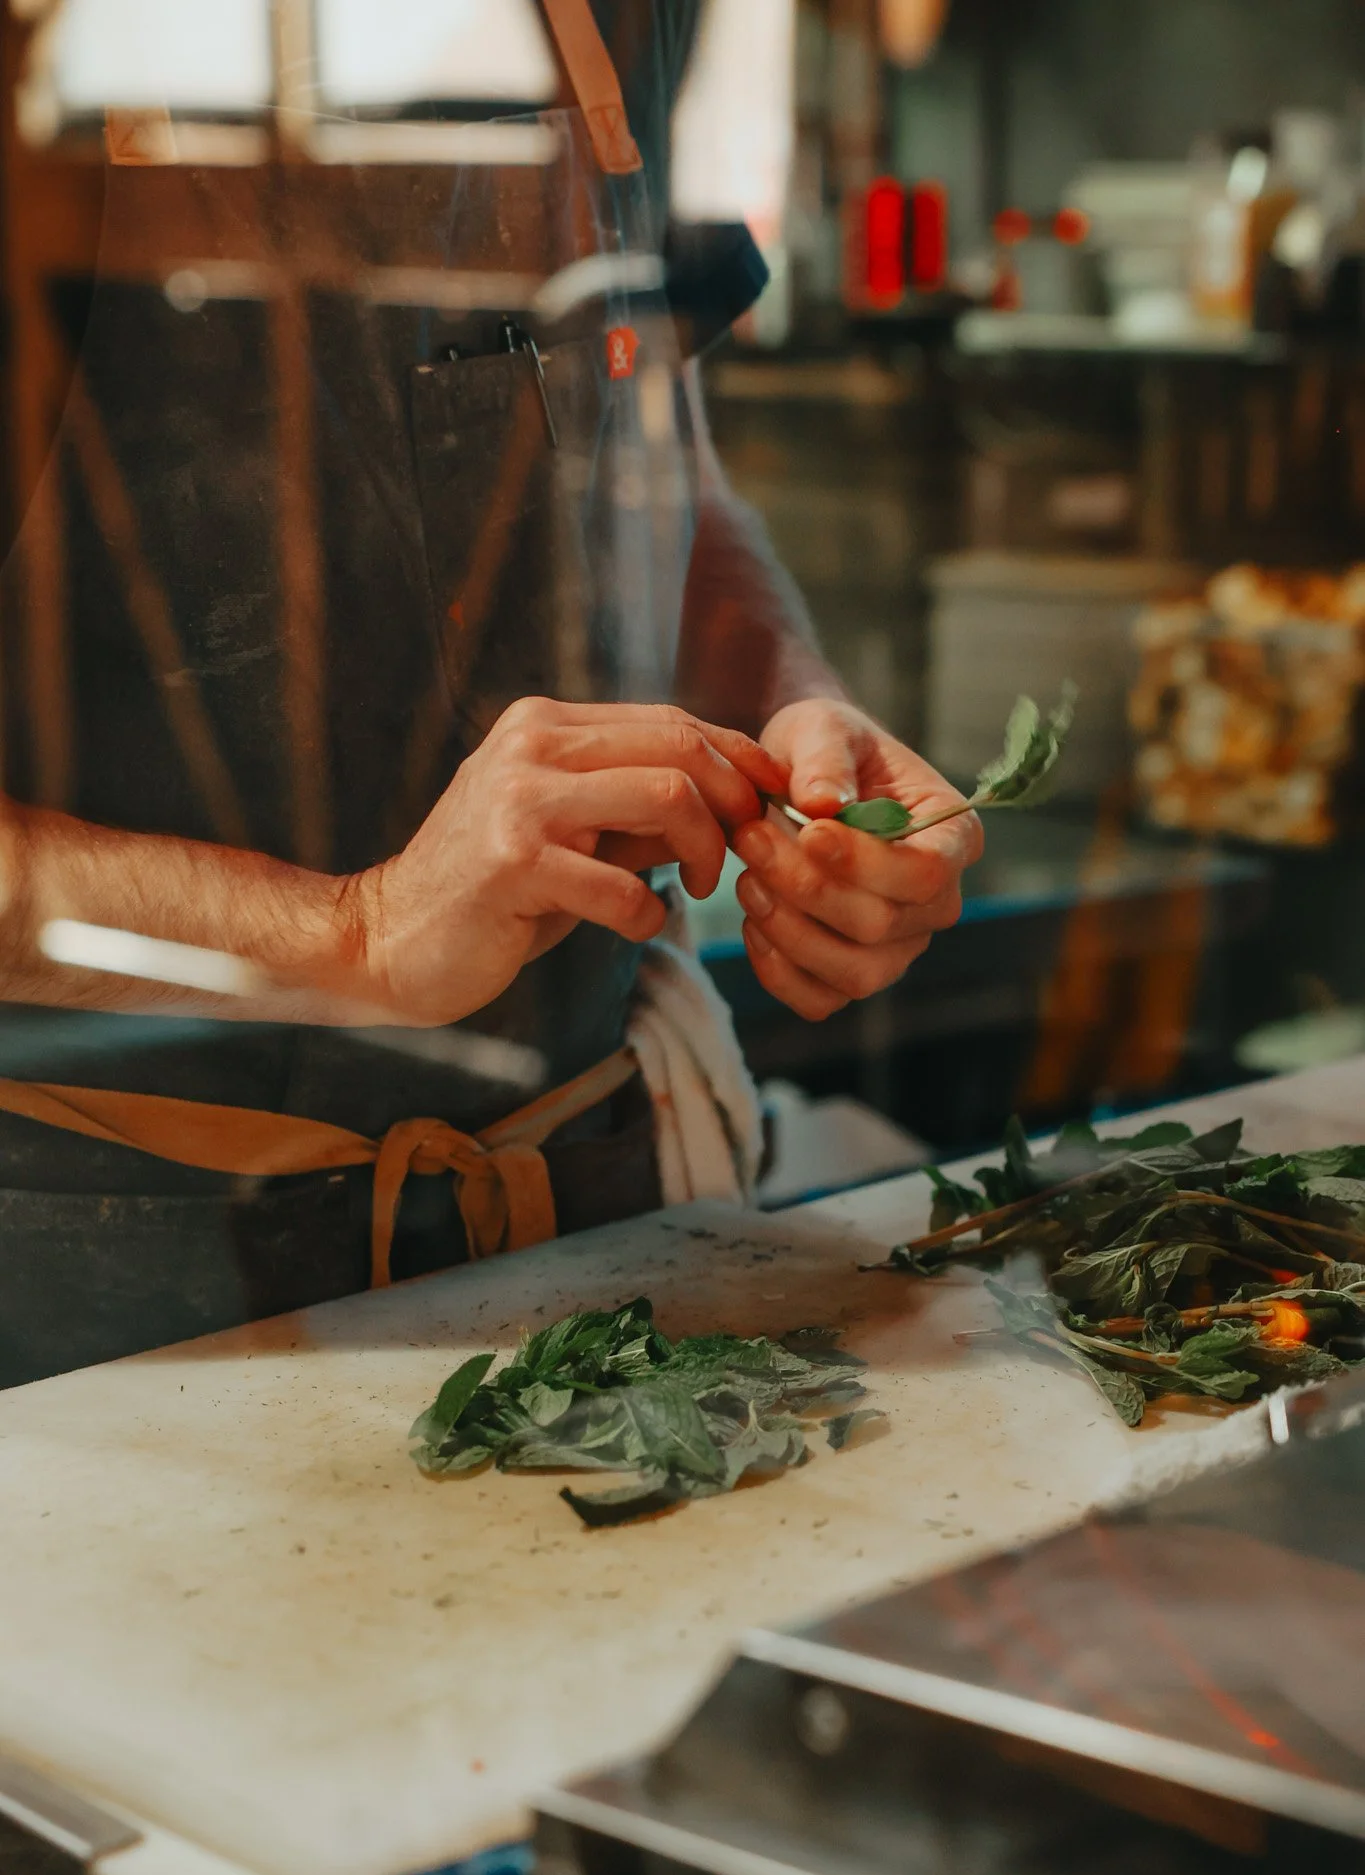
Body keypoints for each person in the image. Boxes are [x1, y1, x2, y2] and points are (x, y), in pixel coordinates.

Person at [0, 0, 980, 1384]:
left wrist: (798, 708)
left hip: (601, 1236)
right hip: (120, 1321)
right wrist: (353, 934)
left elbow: (655, 450)